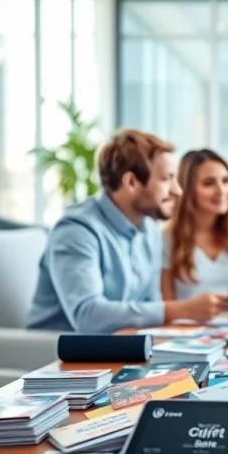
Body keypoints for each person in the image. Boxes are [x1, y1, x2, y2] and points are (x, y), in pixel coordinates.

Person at [26, 129, 185, 334]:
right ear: (131, 183)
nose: (177, 190)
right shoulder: (76, 230)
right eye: (167, 179)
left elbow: (150, 306)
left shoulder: (150, 231)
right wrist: (180, 310)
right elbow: (87, 315)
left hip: (118, 346)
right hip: (56, 354)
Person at [161, 149, 228, 320]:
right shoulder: (166, 237)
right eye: (209, 183)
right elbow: (165, 308)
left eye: (226, 181)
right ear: (187, 190)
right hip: (186, 336)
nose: (221, 190)